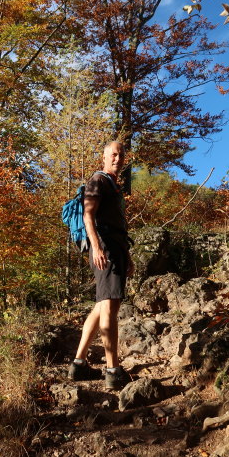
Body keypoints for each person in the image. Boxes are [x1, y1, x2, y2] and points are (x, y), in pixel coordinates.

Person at [67, 141, 134, 390]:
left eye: (121, 155)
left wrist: (127, 254)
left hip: (115, 248)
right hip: (104, 249)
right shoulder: (98, 179)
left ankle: (79, 363)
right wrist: (96, 247)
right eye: (113, 154)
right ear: (105, 157)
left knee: (101, 305)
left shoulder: (113, 186)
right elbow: (88, 215)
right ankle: (113, 370)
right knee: (110, 306)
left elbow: (117, 224)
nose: (118, 158)